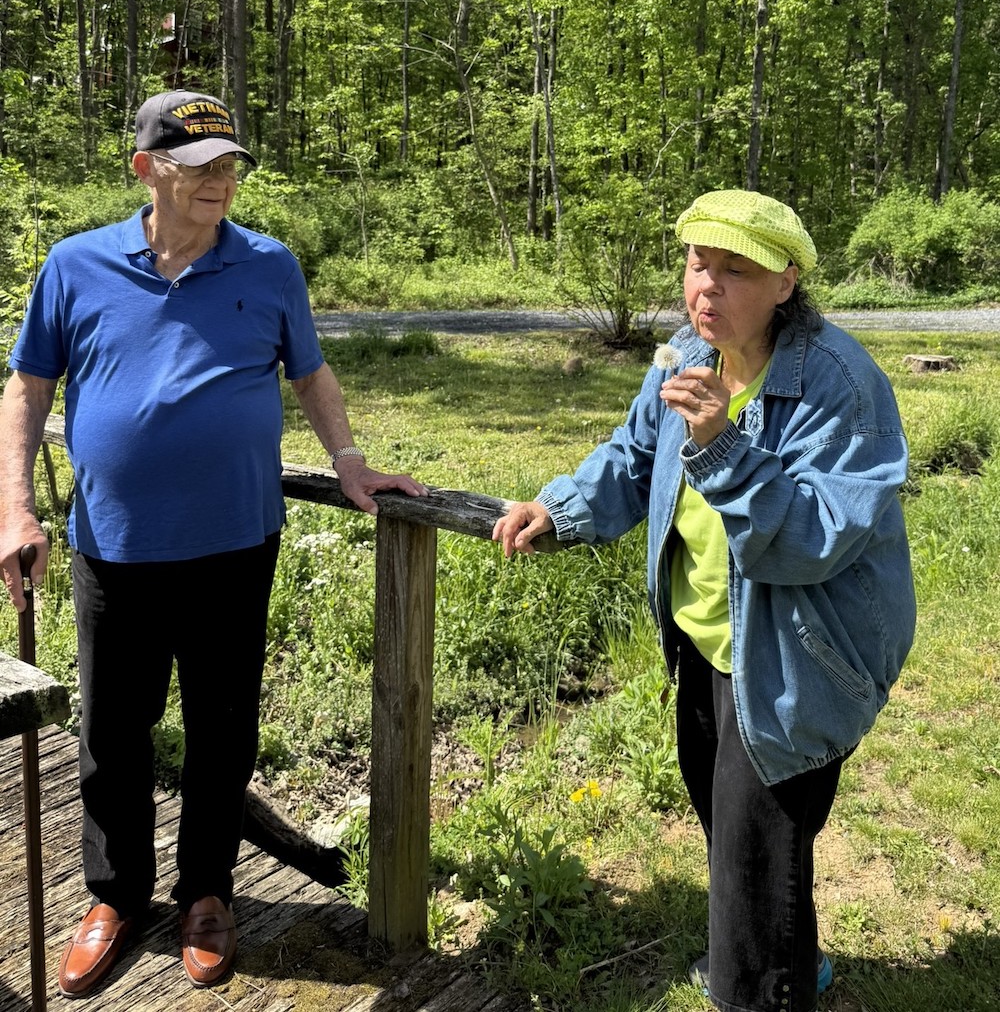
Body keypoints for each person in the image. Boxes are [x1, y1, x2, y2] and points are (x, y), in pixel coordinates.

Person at [0, 90, 427, 998]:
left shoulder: (269, 267)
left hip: (235, 545)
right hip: (112, 546)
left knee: (224, 729)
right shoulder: (75, 266)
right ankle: (115, 898)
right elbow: (28, 389)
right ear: (146, 169)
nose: (219, 183)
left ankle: (206, 894)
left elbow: (310, 373)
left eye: (229, 165)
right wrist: (13, 510)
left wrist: (349, 463)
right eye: (198, 167)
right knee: (112, 729)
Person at [493, 189, 915, 1012]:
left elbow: (814, 539)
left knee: (752, 868)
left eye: (736, 271)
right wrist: (561, 508)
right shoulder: (688, 354)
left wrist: (724, 445)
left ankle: (760, 990)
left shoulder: (843, 387)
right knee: (744, 840)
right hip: (702, 640)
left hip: (798, 657)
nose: (707, 288)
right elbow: (633, 454)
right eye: (697, 264)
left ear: (787, 283)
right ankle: (796, 961)